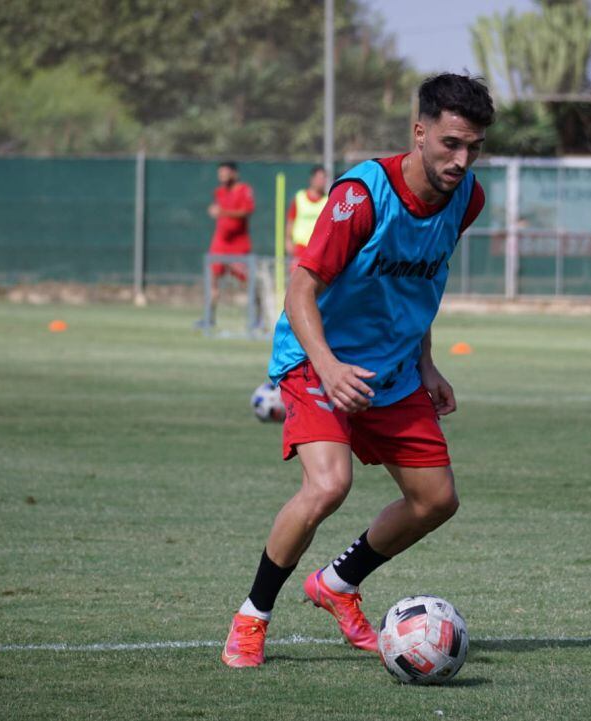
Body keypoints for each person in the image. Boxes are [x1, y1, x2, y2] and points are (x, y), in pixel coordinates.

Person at [221, 73, 493, 668]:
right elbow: (300, 290)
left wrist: (426, 362)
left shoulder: (466, 197)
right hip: (318, 359)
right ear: (419, 133)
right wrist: (328, 365)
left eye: (472, 146)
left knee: (435, 499)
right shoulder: (363, 195)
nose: (461, 159)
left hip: (392, 369)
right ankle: (251, 618)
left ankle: (336, 585)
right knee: (328, 486)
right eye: (450, 143)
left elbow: (421, 278)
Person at [205, 161, 255, 326]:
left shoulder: (244, 190)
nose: (222, 177)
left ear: (234, 173)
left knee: (248, 281)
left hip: (239, 244)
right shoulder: (218, 192)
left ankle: (257, 317)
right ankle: (209, 318)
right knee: (212, 279)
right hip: (220, 242)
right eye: (220, 174)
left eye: (225, 173)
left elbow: (247, 211)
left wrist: (222, 212)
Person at [285, 165, 329, 271]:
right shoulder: (300, 197)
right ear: (312, 179)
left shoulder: (328, 200)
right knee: (297, 280)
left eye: (324, 179)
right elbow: (291, 220)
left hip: (318, 248)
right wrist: (288, 240)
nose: (321, 181)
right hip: (300, 246)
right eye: (319, 178)